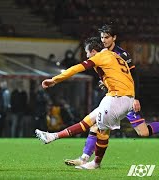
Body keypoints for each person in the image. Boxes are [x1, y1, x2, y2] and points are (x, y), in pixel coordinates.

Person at [35, 37, 137, 170]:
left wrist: (54, 80)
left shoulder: (99, 57)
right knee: (90, 123)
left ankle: (95, 163)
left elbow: (77, 68)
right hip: (124, 97)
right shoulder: (113, 55)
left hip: (118, 97)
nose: (87, 56)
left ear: (94, 51)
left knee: (102, 131)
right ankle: (54, 138)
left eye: (87, 53)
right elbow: (125, 75)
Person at [64, 24, 159, 167]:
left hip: (126, 98)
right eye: (102, 37)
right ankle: (86, 160)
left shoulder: (122, 54)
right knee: (96, 126)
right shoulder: (100, 54)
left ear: (114, 38)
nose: (104, 40)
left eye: (107, 37)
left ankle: (90, 161)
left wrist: (136, 97)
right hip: (113, 99)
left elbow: (133, 76)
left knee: (143, 132)